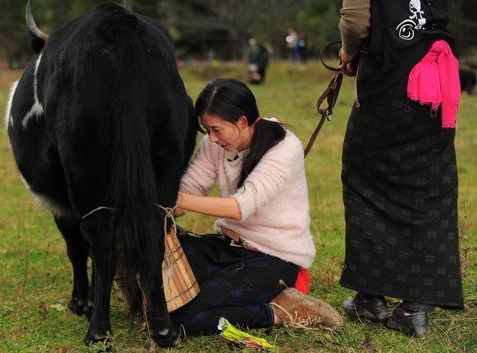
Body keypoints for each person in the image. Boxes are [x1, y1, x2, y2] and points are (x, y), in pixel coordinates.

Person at [171, 78, 343, 336]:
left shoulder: (284, 147)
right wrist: (156, 207)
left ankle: (278, 312)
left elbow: (241, 207)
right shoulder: (216, 143)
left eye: (216, 130)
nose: (212, 138)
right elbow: (190, 188)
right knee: (159, 289)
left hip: (272, 258)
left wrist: (179, 201)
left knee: (183, 316)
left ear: (242, 121)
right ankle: (237, 296)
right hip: (227, 248)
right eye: (207, 130)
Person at [338, 0, 464, 337]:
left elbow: (354, 22)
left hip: (389, 85)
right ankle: (415, 306)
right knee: (427, 187)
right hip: (436, 82)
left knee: (364, 182)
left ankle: (370, 297)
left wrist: (348, 52)